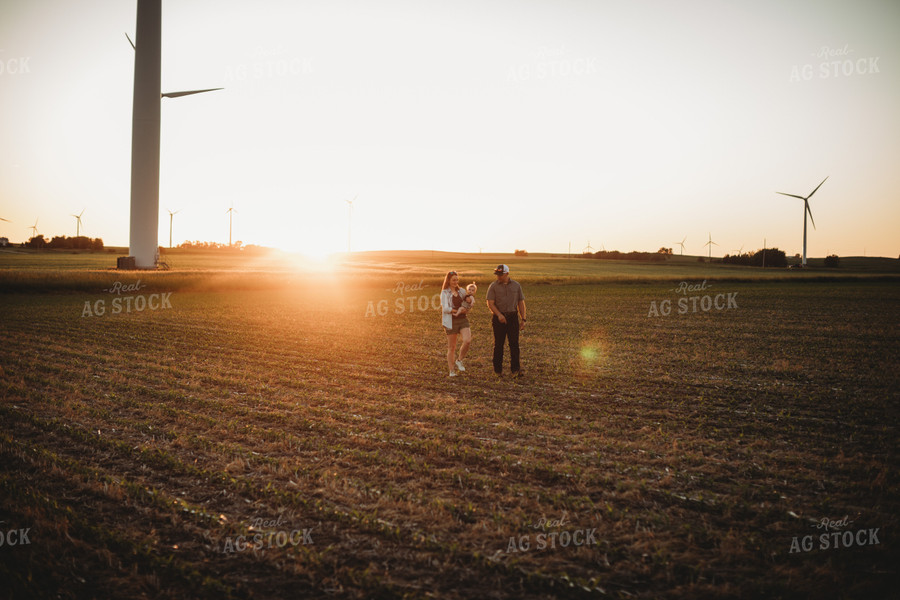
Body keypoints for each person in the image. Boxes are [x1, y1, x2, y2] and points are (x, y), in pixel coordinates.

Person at [485, 264, 526, 376]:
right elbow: (490, 303)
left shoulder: (516, 286)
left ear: (507, 274)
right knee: (498, 344)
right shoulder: (493, 286)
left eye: (500, 274)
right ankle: (498, 370)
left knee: (514, 344)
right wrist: (498, 315)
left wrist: (523, 319)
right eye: (497, 274)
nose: (498, 276)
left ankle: (515, 370)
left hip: (513, 317)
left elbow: (521, 303)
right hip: (498, 318)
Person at [440, 271, 473, 377]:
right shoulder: (444, 292)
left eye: (457, 280)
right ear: (448, 280)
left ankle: (459, 360)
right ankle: (451, 370)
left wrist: (467, 308)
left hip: (463, 319)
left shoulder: (462, 291)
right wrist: (456, 311)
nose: (455, 282)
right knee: (451, 347)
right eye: (453, 280)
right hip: (450, 321)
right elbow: (445, 308)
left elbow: (468, 303)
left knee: (467, 340)